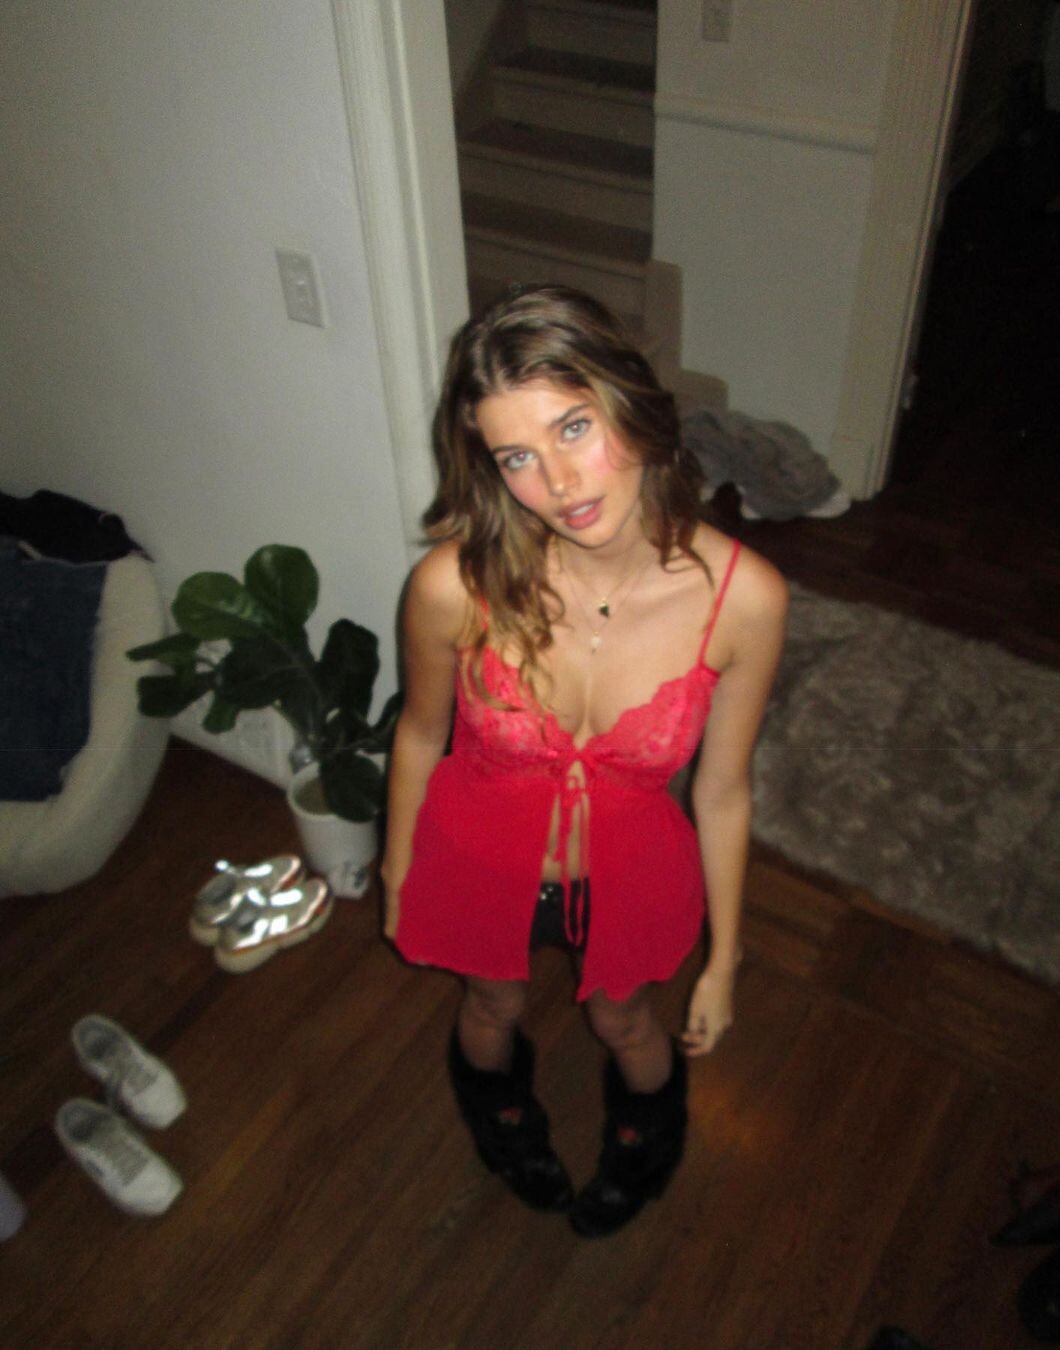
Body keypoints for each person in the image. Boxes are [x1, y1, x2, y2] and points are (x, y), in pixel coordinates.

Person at [382, 284, 787, 1237]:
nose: (559, 483)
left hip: (628, 867)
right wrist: (399, 872)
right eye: (516, 456)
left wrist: (725, 960)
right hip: (479, 852)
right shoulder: (452, 586)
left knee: (624, 1022)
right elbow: (418, 734)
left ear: (631, 403)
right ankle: (503, 1126)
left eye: (574, 427)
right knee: (491, 1004)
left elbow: (724, 790)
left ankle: (647, 1146)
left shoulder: (745, 599)